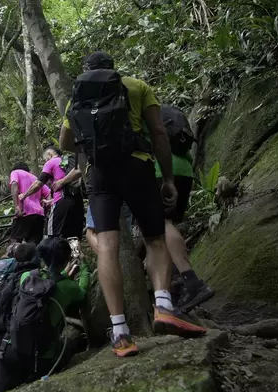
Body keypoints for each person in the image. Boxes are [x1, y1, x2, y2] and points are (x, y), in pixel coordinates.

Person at [59, 51, 206, 358]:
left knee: (108, 246)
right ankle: (164, 306)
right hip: (137, 167)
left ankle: (120, 331)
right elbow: (159, 133)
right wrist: (167, 178)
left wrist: (92, 145)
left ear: (86, 71)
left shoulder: (78, 98)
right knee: (155, 238)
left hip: (99, 176)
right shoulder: (136, 86)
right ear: (113, 68)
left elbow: (64, 143)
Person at [0, 237, 89, 392]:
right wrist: (84, 268)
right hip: (40, 359)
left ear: (42, 258)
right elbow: (82, 292)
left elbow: (48, 280)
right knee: (70, 343)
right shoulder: (69, 288)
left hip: (10, 349)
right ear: (65, 261)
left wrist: (63, 273)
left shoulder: (27, 277)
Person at [153, 119, 214, 312]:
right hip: (184, 170)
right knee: (167, 225)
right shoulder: (166, 117)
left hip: (159, 170)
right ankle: (178, 282)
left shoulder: (137, 114)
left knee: (161, 224)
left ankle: (191, 281)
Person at [8, 163, 50, 244]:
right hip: (39, 215)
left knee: (15, 241)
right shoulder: (36, 179)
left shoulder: (15, 172)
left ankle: (14, 255)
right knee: (34, 244)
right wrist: (46, 207)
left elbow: (14, 184)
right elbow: (48, 193)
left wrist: (16, 206)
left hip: (24, 212)